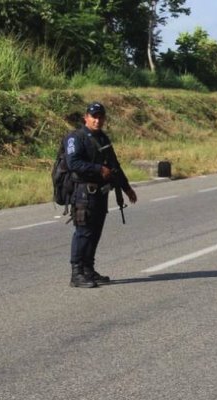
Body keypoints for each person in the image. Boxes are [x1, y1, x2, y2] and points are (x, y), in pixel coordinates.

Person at [65, 102, 138, 288]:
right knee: (84, 232)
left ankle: (89, 269)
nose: (97, 120)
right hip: (83, 192)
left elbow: (114, 166)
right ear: (86, 118)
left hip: (100, 193)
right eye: (94, 117)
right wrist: (98, 168)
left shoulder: (103, 138)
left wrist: (126, 188)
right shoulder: (76, 138)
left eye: (100, 117)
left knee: (95, 233)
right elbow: (73, 163)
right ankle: (77, 273)